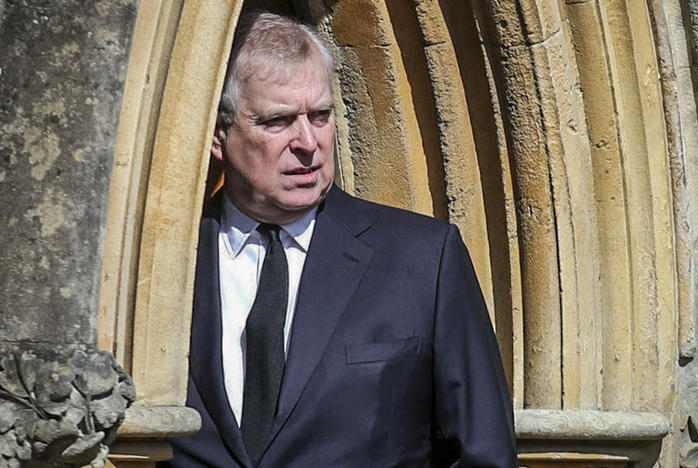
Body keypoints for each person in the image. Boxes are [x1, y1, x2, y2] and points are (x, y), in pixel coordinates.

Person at [165, 11, 516, 468]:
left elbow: (483, 454)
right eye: (278, 121)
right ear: (218, 134)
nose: (308, 142)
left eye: (321, 115)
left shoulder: (423, 259)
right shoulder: (167, 263)